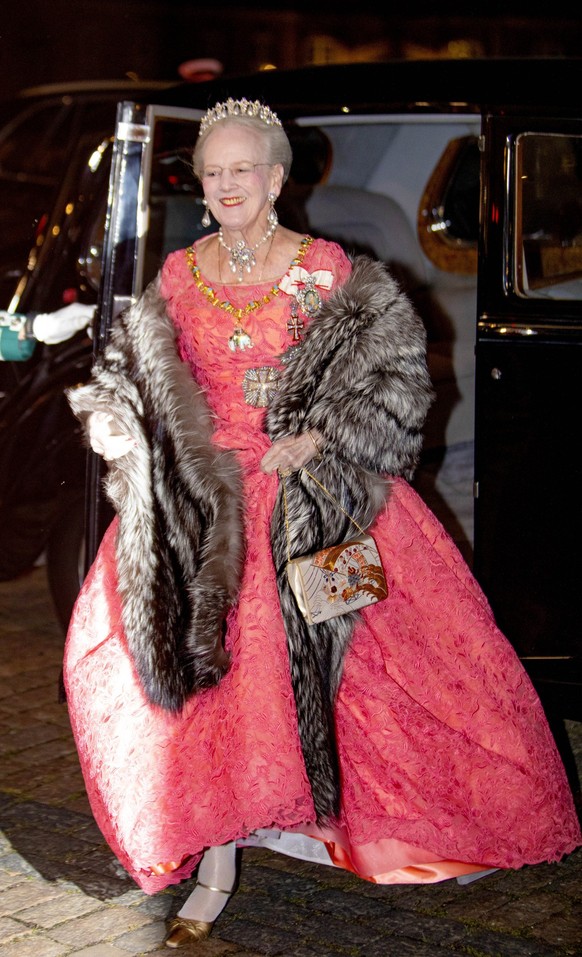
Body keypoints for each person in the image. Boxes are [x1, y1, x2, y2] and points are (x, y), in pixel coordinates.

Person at [64, 98, 581, 950]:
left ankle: (327, 827)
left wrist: (323, 435)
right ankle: (216, 854)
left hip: (312, 496)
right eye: (215, 171)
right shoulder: (181, 274)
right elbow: (131, 371)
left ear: (276, 177)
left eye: (245, 169)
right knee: (196, 677)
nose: (229, 184)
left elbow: (393, 374)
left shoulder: (326, 267)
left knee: (358, 674)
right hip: (207, 500)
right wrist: (127, 428)